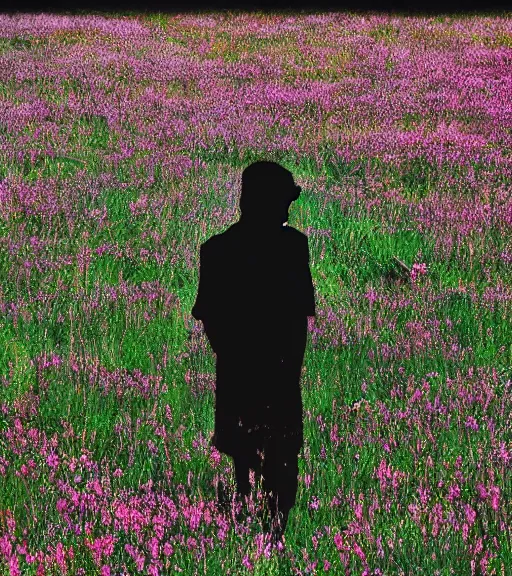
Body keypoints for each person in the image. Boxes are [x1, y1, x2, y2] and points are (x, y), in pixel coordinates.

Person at [191, 160, 316, 545]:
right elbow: (299, 319)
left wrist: (233, 357)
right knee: (277, 468)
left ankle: (251, 532)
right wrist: (286, 369)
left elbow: (208, 318)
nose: (288, 209)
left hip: (237, 376)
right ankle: (270, 536)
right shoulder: (293, 248)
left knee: (244, 456)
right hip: (279, 378)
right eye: (283, 201)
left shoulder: (216, 250)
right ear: (263, 202)